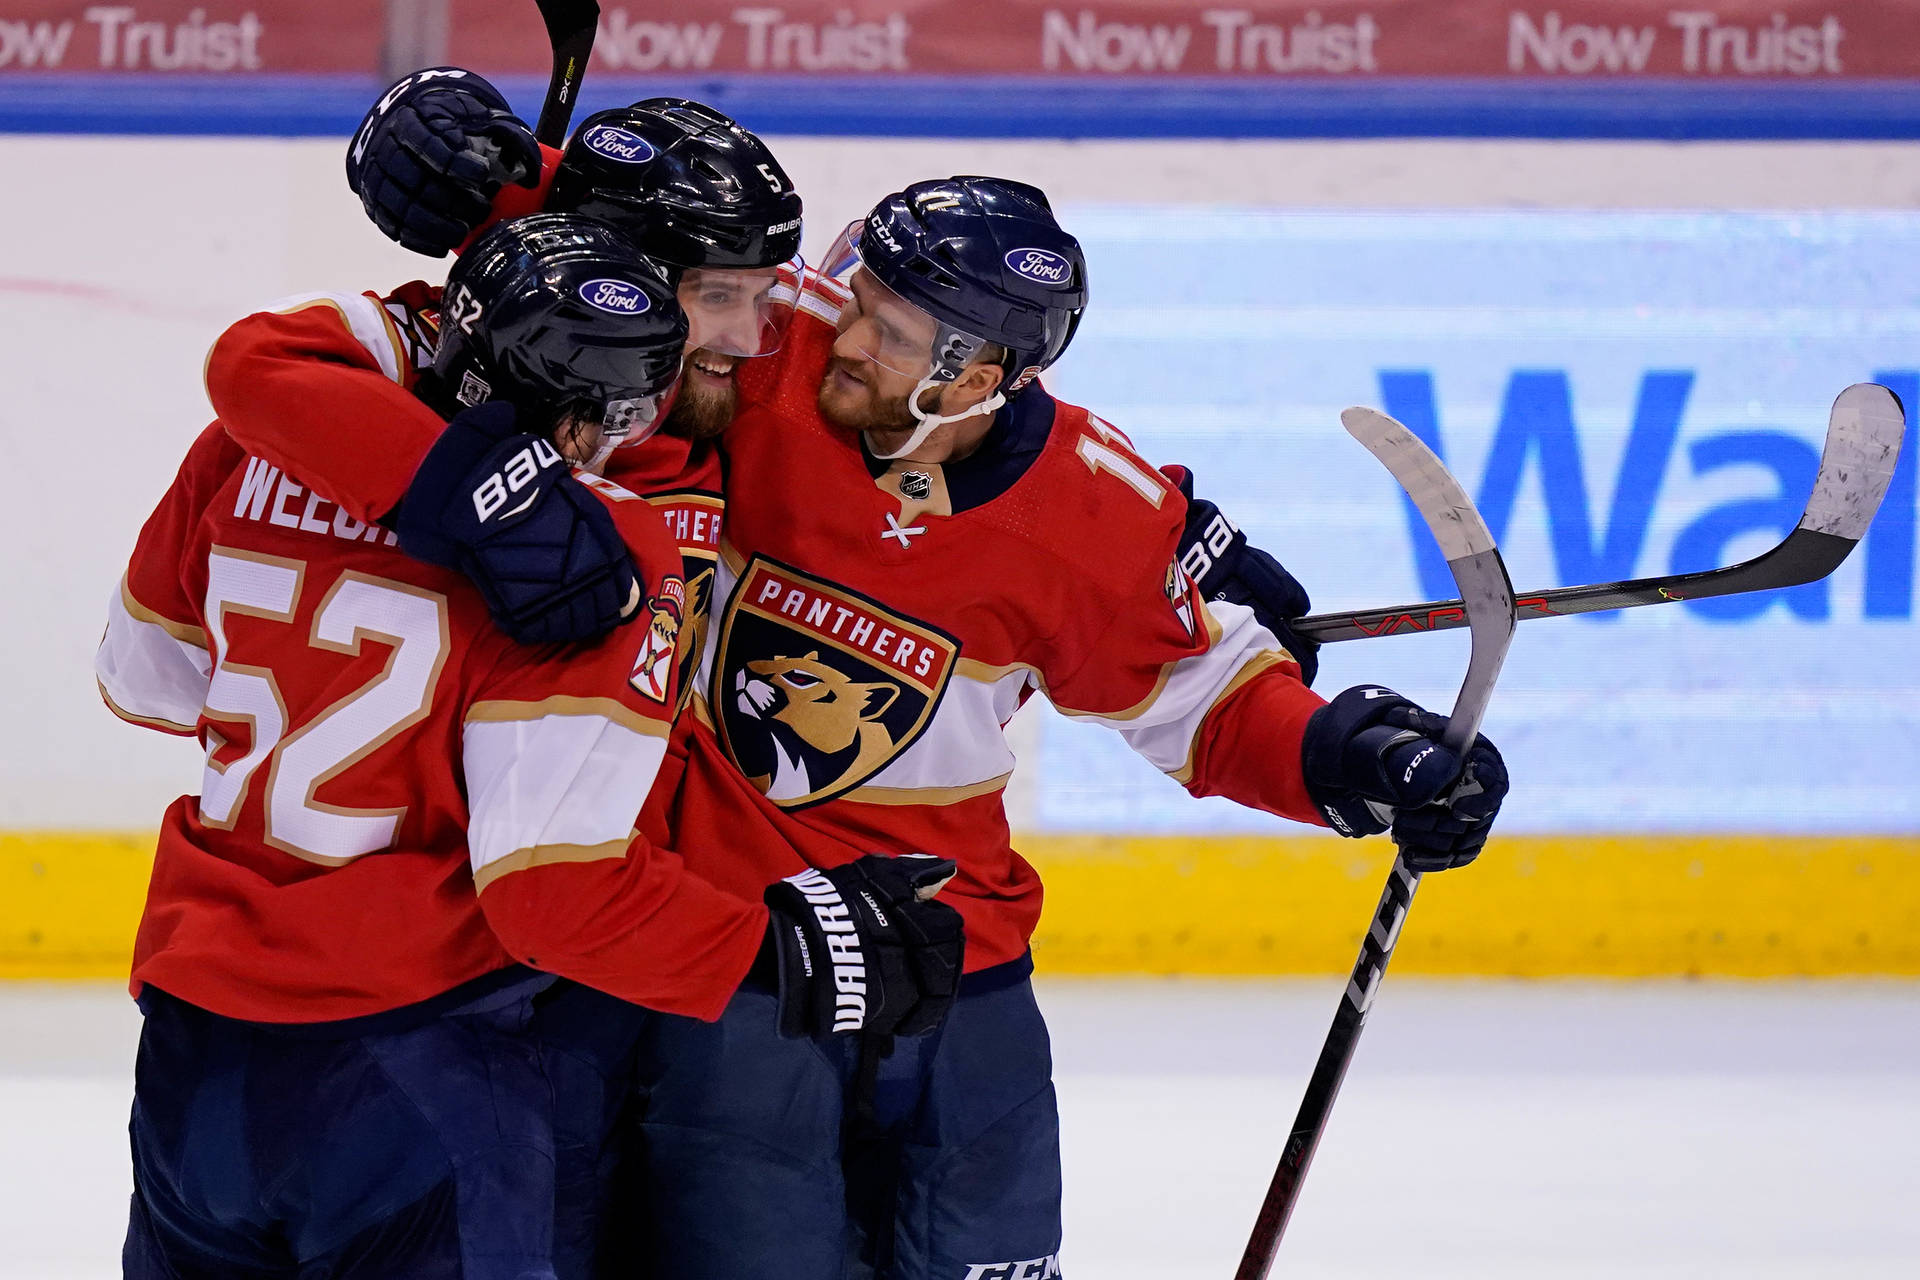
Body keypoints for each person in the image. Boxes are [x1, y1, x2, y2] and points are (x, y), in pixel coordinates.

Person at [96, 212, 962, 1280]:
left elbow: (142, 679)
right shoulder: (600, 552)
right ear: (613, 410)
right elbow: (550, 893)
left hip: (193, 1040)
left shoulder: (253, 445)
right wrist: (784, 948)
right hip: (411, 1064)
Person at [341, 67, 1325, 680]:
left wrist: (1174, 527)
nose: (782, 331)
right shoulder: (503, 336)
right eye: (728, 297)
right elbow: (265, 365)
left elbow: (970, 417)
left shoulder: (754, 364)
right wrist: (452, 149)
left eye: (765, 294)